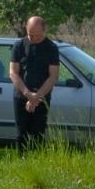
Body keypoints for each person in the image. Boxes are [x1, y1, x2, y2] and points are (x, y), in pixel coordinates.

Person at [9, 16, 61, 149]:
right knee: (21, 134)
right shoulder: (19, 46)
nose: (33, 38)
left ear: (44, 30)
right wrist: (27, 94)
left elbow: (53, 76)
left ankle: (36, 163)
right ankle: (21, 164)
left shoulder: (51, 48)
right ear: (26, 29)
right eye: (30, 35)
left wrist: (36, 97)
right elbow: (13, 73)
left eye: (37, 36)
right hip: (21, 96)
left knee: (38, 134)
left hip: (41, 98)